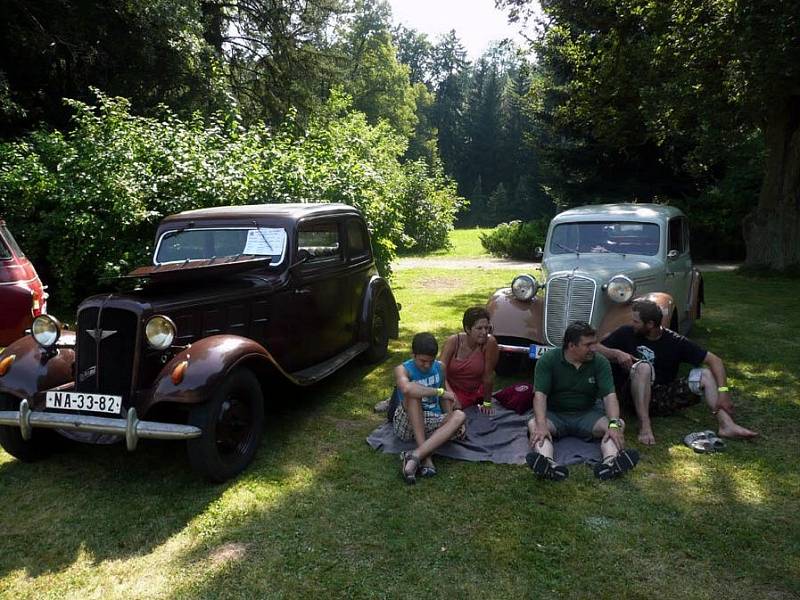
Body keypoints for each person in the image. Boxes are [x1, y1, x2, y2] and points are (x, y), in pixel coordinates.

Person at [596, 299, 758, 446]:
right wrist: (616, 353)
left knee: (705, 374)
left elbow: (715, 360)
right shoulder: (626, 332)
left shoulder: (675, 341)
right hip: (630, 395)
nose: (632, 323)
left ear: (650, 324)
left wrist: (724, 392)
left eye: (636, 321)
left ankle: (726, 425)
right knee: (643, 367)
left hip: (661, 397)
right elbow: (595, 347)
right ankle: (645, 426)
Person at [527, 321, 639, 481]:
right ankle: (548, 464)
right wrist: (542, 424)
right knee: (535, 425)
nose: (594, 348)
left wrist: (613, 424)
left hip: (588, 414)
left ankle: (610, 463)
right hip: (555, 414)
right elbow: (540, 396)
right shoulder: (548, 360)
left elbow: (609, 396)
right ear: (571, 346)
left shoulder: (600, 362)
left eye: (594, 343)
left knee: (618, 424)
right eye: (588, 344)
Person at [394, 332, 466, 484]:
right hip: (407, 421)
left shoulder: (440, 368)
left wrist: (450, 417)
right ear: (413, 355)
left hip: (432, 420)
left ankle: (414, 456)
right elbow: (407, 389)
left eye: (431, 361)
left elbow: (444, 399)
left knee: (459, 416)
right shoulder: (402, 369)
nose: (427, 365)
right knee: (414, 393)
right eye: (422, 361)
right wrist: (439, 391)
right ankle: (426, 458)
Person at [439, 306, 499, 413]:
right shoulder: (453, 342)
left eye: (487, 328)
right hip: (447, 388)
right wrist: (451, 394)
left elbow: (488, 376)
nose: (485, 332)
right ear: (467, 329)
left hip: (472, 392)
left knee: (453, 411)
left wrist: (487, 403)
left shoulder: (490, 343)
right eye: (479, 328)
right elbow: (439, 372)